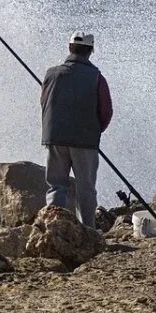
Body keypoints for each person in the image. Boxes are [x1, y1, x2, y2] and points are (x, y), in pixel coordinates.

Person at [40, 31, 112, 227]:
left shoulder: (51, 73)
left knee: (56, 186)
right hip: (85, 142)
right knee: (85, 189)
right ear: (91, 51)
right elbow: (106, 112)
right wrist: (94, 131)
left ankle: (53, 227)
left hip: (54, 138)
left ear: (69, 48)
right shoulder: (96, 77)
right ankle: (87, 229)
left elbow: (44, 102)